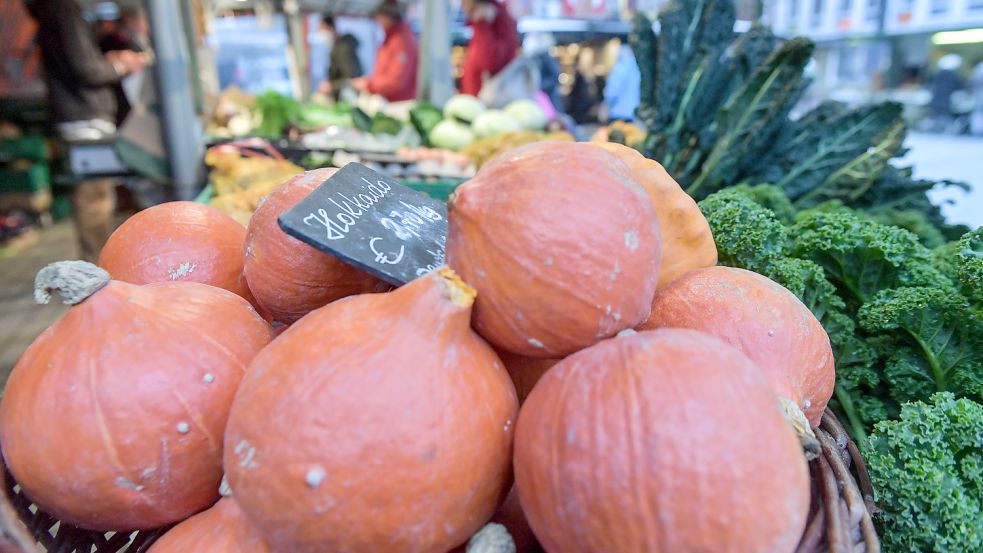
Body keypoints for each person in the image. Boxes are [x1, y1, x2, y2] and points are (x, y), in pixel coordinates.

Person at [24, 0, 146, 262]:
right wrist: (119, 66)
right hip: (83, 115)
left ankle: (101, 268)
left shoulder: (56, 12)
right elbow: (85, 69)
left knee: (97, 200)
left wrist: (109, 62)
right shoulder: (64, 10)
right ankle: (99, 271)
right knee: (95, 203)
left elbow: (82, 64)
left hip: (78, 113)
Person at [351, 1, 418, 102]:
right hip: (390, 101)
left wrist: (369, 85)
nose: (377, 21)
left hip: (399, 104)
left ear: (387, 16)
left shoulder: (402, 42)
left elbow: (396, 81)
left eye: (379, 16)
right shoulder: (391, 39)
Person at [99, 5, 151, 125]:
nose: (146, 27)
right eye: (143, 22)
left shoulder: (135, 43)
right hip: (118, 105)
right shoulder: (111, 43)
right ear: (129, 22)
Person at [460, 0, 519, 96]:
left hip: (490, 99)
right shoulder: (483, 20)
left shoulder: (496, 22)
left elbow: (489, 62)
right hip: (477, 98)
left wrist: (483, 24)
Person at [317, 14, 362, 100]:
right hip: (342, 94)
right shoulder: (336, 48)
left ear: (331, 28)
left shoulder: (344, 49)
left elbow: (352, 78)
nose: (321, 34)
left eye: (323, 30)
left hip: (349, 96)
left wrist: (331, 86)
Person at [603, 44, 641, 122]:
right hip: (635, 115)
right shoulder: (637, 68)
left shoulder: (619, 68)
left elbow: (611, 92)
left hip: (618, 114)